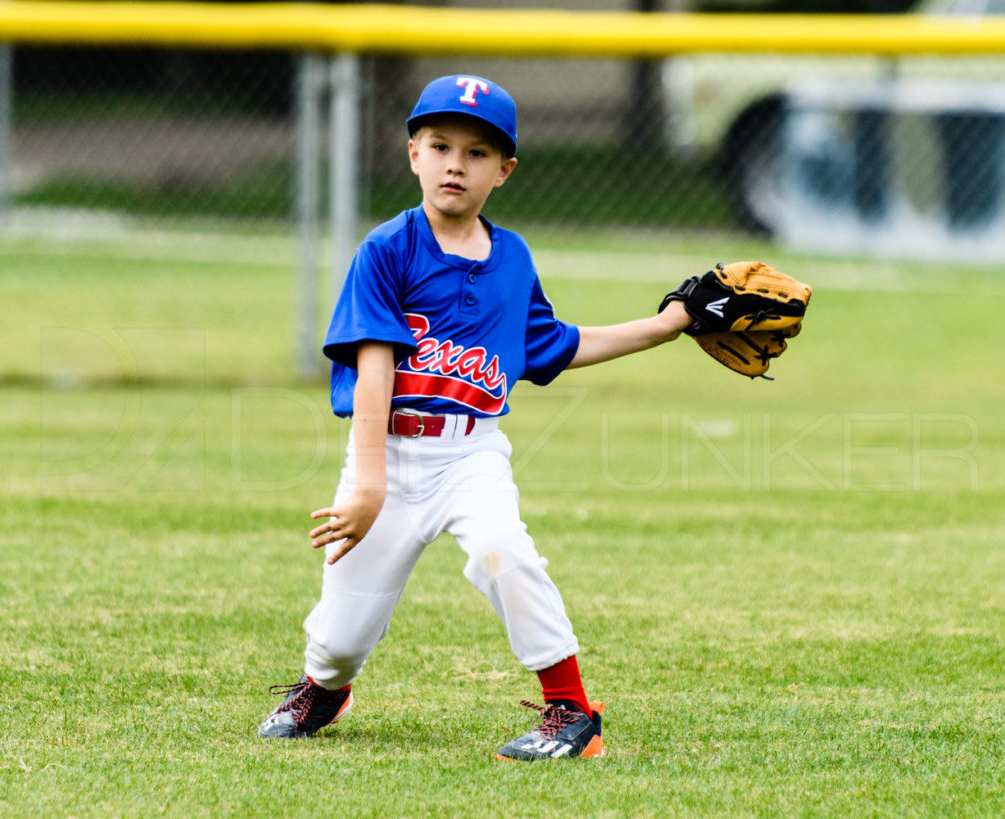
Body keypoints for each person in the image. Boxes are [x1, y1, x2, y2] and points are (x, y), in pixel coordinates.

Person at [257, 74, 692, 760]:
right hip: (388, 454)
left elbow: (558, 344)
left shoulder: (513, 259)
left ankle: (572, 710)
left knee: (503, 551)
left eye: (477, 151)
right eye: (439, 144)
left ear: (504, 171)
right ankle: (326, 686)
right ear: (413, 155)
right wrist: (370, 483)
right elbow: (374, 369)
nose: (455, 162)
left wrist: (667, 326)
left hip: (470, 454)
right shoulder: (387, 250)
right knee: (340, 638)